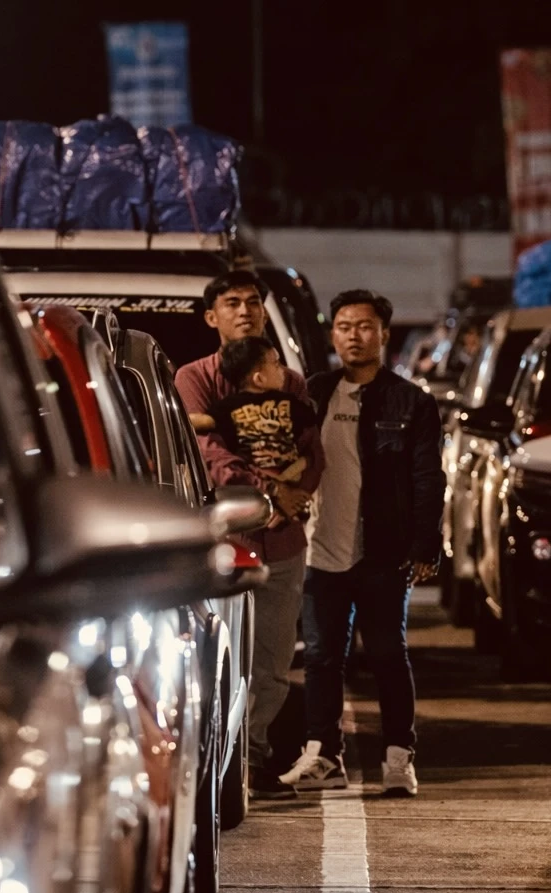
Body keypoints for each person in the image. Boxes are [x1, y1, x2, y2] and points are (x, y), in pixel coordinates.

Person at [279, 289, 443, 797]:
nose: (355, 335)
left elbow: (426, 478)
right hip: (319, 546)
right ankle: (323, 754)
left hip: (383, 550)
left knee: (389, 653)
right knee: (322, 656)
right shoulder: (313, 393)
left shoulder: (411, 402)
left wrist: (424, 545)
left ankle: (399, 756)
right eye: (345, 326)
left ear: (384, 334)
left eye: (365, 326)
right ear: (333, 335)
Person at [175, 270, 323, 800]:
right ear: (211, 317)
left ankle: (253, 759)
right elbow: (209, 456)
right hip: (227, 541)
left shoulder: (289, 380)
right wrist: (268, 491)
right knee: (218, 656)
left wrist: (294, 495)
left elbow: (311, 447)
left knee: (273, 661)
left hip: (284, 540)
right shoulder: (194, 378)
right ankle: (216, 760)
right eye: (232, 303)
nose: (245, 311)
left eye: (253, 302)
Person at [196, 337, 318, 522]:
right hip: (261, 479)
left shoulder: (229, 407)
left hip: (286, 475)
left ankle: (282, 509)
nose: (282, 371)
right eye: (276, 365)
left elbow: (204, 421)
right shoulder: (286, 403)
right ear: (259, 378)